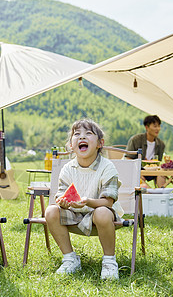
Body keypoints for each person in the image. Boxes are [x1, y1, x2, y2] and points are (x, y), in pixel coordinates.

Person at [45, 119, 123, 280]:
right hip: (73, 214)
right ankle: (70, 259)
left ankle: (109, 261)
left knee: (101, 212)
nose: (82, 137)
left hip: (101, 215)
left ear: (100, 143)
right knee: (51, 210)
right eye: (77, 134)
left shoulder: (107, 167)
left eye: (88, 133)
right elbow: (61, 194)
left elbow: (108, 202)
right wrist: (63, 202)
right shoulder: (67, 168)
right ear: (71, 146)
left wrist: (88, 201)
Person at [124, 115, 166, 187]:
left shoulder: (161, 144)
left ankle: (160, 193)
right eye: (155, 126)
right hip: (136, 170)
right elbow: (128, 159)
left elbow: (158, 162)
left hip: (153, 170)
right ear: (147, 127)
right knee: (142, 183)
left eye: (159, 126)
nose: (158, 129)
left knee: (161, 174)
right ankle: (150, 193)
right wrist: (138, 171)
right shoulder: (135, 140)